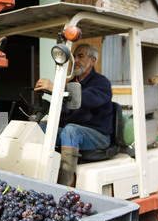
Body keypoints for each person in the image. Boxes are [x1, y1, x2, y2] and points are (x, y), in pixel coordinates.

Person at [34, 43, 113, 186]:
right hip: (72, 133)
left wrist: (57, 88)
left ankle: (63, 187)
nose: (75, 60)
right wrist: (51, 123)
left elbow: (88, 100)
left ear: (93, 60)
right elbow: (65, 112)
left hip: (98, 135)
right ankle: (35, 178)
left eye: (80, 56)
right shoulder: (71, 84)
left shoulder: (101, 83)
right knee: (38, 128)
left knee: (71, 130)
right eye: (74, 56)